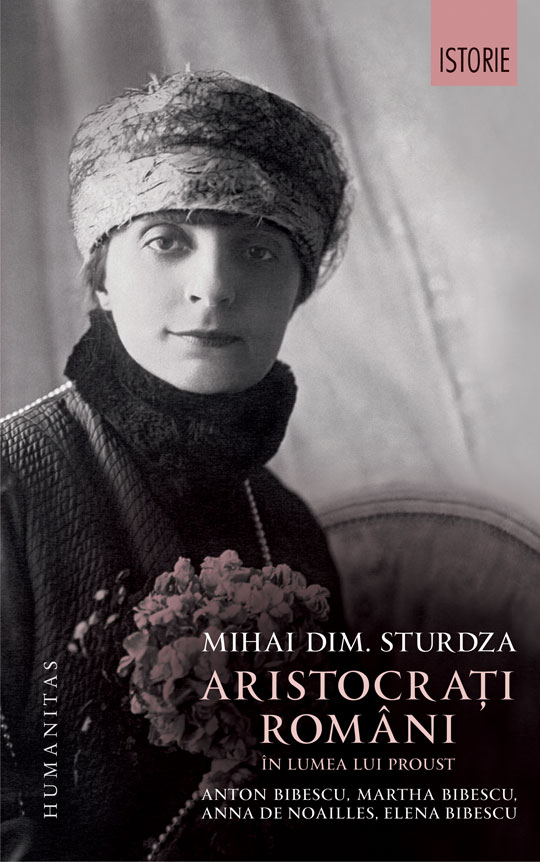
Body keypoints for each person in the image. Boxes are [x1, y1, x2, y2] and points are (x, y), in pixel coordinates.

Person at [0, 70, 352, 861]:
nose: (214, 287)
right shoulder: (11, 484)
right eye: (167, 240)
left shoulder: (289, 527)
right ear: (100, 276)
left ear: (297, 292)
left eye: (258, 250)